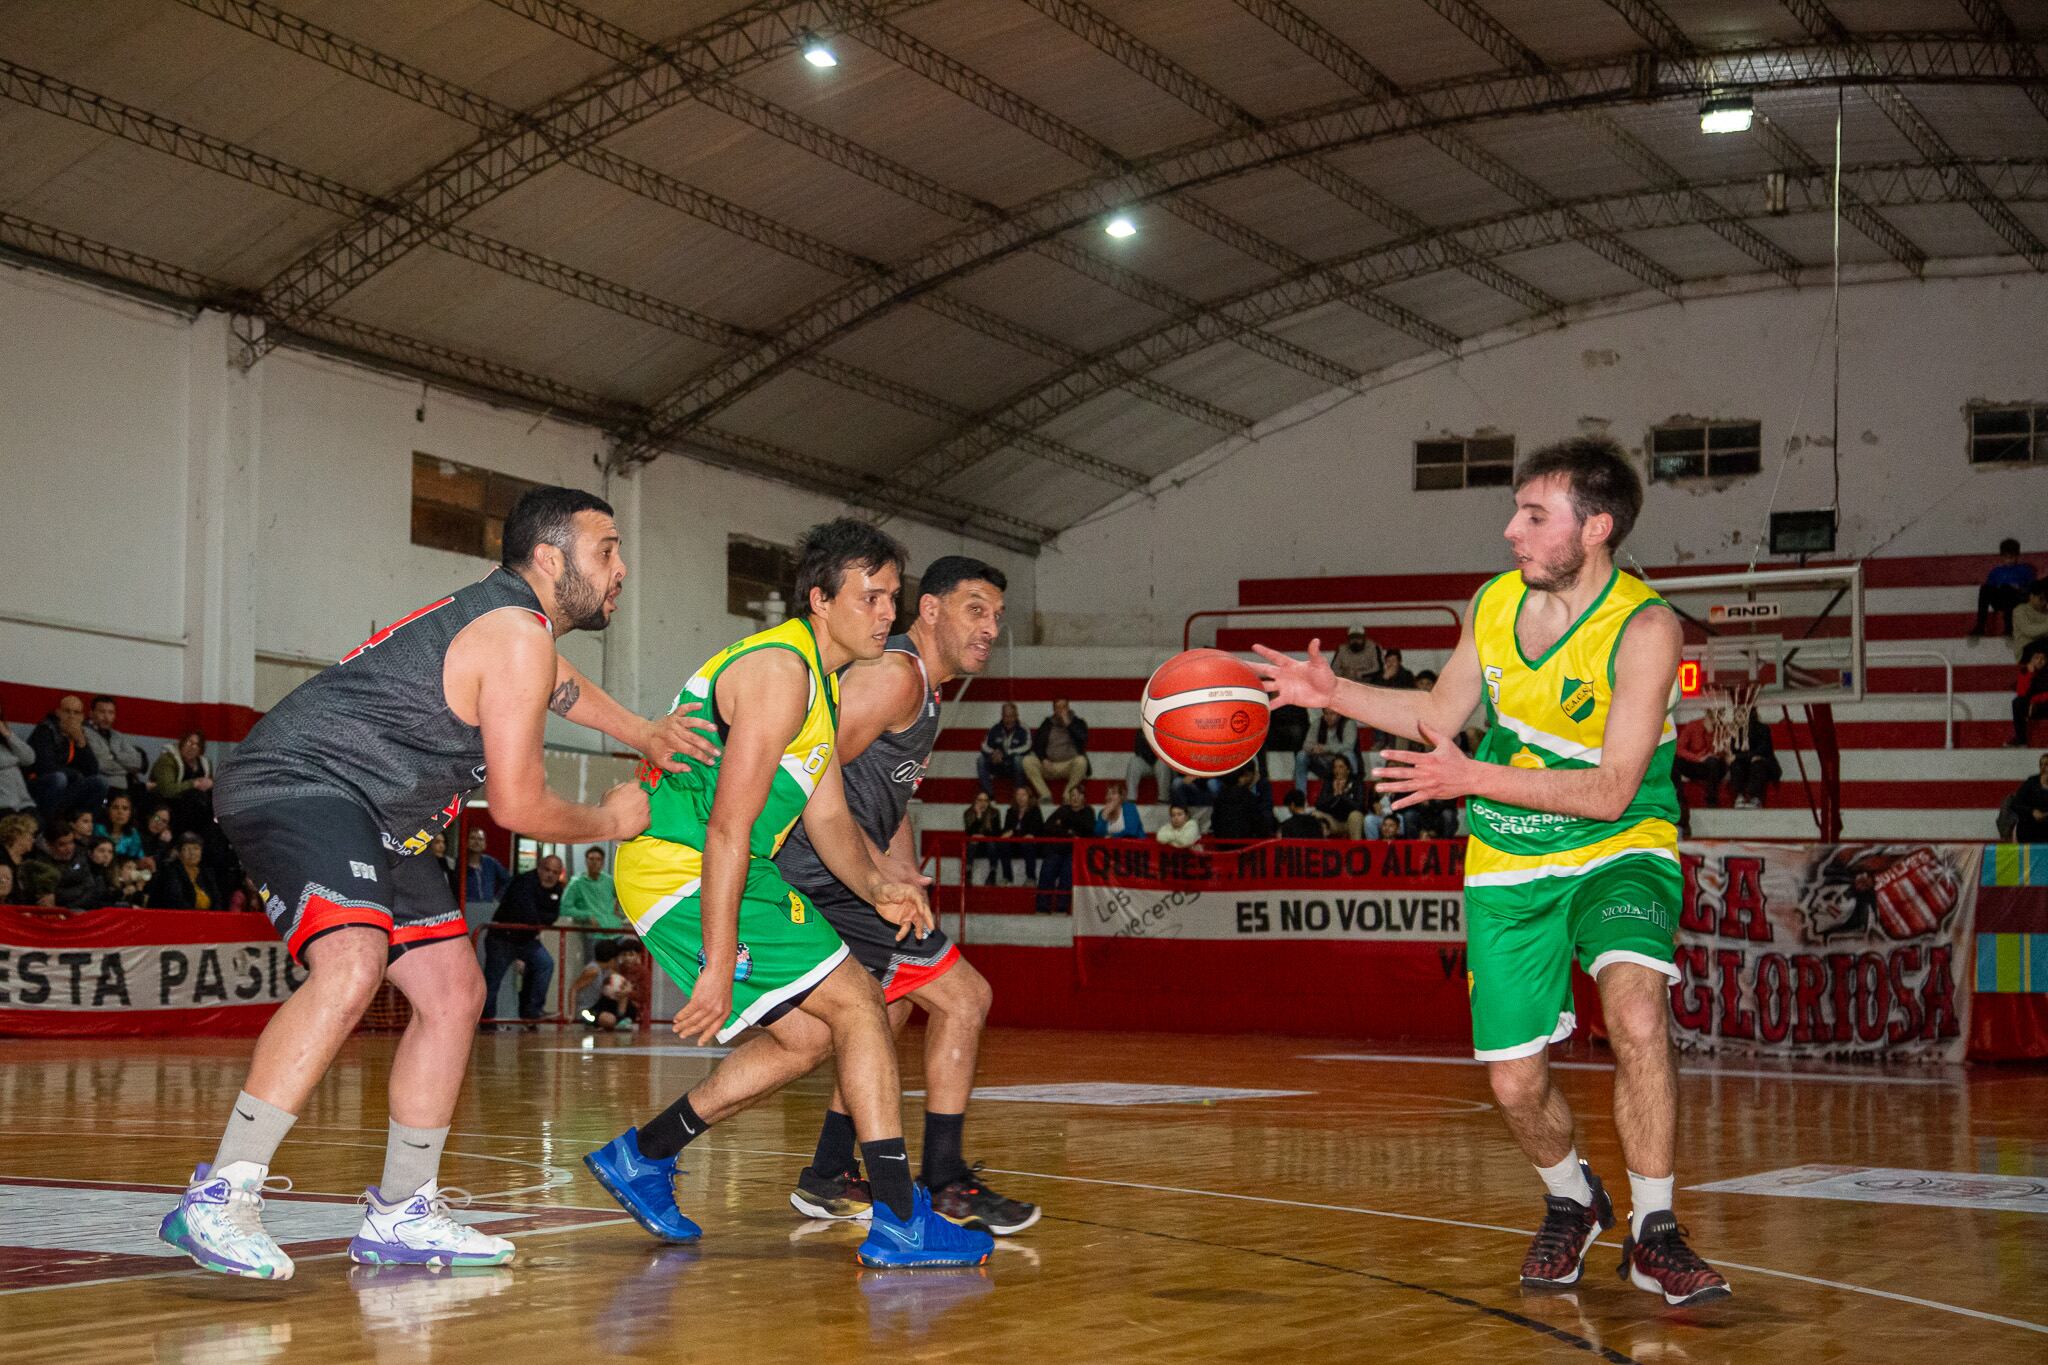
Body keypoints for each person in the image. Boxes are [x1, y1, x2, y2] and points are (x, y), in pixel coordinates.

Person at [158, 484, 716, 1281]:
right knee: (351, 961)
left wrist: (640, 729)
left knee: (455, 993)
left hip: (380, 810)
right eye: (607, 550)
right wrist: (613, 821)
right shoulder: (515, 632)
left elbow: (558, 681)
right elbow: (520, 804)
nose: (621, 568)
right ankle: (221, 1192)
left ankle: (402, 1209)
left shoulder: (513, 627)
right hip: (304, 777)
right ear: (550, 558)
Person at [1251, 434, 1730, 1306]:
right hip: (1510, 853)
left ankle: (1656, 1230)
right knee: (1514, 1077)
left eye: (1534, 515)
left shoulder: (1648, 626)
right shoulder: (1495, 602)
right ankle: (1573, 1200)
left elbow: (1614, 786)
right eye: (1515, 510)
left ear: (1597, 528)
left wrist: (1468, 774)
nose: (1510, 529)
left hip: (1620, 841)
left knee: (1635, 1009)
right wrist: (1336, 696)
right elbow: (1439, 709)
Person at [590, 519, 990, 1269]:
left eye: (892, 598)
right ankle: (902, 1217)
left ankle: (643, 1156)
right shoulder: (781, 673)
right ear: (819, 598)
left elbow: (829, 814)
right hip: (684, 865)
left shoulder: (824, 683)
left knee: (809, 1036)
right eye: (869, 597)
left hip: (731, 869)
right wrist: (715, 962)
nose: (885, 613)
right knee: (862, 1004)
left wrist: (882, 886)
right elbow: (728, 830)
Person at [773, 556, 1037, 1235]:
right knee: (964, 996)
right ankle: (945, 1182)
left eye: (997, 615)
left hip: (847, 873)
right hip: (825, 875)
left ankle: (829, 1173)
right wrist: (869, 875)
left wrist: (904, 871)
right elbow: (808, 762)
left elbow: (885, 799)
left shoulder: (923, 687)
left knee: (884, 1014)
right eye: (975, 609)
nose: (990, 627)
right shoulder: (895, 675)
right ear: (929, 610)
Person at [481, 854, 565, 1027]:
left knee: (545, 964)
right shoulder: (523, 882)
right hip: (503, 937)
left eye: (555, 872)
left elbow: (552, 916)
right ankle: (486, 1021)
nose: (550, 875)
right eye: (547, 870)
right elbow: (525, 913)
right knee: (492, 981)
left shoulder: (558, 889)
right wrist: (539, 919)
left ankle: (532, 1012)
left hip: (526, 939)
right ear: (539, 869)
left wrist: (537, 919)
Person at [27, 695, 108, 822]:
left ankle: (81, 827)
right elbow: (44, 766)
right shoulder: (45, 730)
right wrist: (75, 775)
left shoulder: (78, 735)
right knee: (59, 778)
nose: (71, 716)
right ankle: (46, 828)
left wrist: (81, 743)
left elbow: (92, 770)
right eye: (67, 711)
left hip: (67, 787)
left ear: (81, 717)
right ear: (58, 713)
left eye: (76, 713)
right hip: (40, 784)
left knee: (100, 782)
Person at [1037, 783, 1094, 914]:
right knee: (1047, 869)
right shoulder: (1063, 809)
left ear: (1084, 797)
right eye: (1072, 795)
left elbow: (1088, 830)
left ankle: (1061, 908)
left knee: (1068, 871)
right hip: (1057, 850)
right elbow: (1048, 827)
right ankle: (1042, 907)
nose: (1075, 798)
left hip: (1075, 852)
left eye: (1078, 795)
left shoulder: (1088, 811)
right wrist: (1069, 832)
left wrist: (1063, 825)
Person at [150, 730, 216, 836]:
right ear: (182, 743)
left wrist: (211, 783)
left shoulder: (205, 763)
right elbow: (167, 790)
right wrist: (193, 783)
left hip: (199, 807)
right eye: (189, 743)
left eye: (197, 745)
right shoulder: (167, 760)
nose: (192, 747)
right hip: (168, 805)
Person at [1021, 699, 1088, 802]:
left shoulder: (1078, 722)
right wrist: (1043, 759)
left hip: (1069, 765)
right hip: (1049, 765)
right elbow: (1036, 745)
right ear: (1054, 710)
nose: (1061, 710)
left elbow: (1083, 738)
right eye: (1058, 708)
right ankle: (1045, 795)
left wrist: (1068, 724)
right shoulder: (1047, 724)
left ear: (1068, 708)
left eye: (1064, 707)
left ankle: (1068, 795)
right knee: (1027, 761)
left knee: (1082, 761)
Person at [572, 939, 646, 1030]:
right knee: (609, 1020)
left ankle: (620, 1020)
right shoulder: (593, 971)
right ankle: (592, 1023)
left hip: (597, 1005)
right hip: (586, 1010)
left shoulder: (607, 970)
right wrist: (571, 1014)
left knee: (622, 991)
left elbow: (622, 983)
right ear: (612, 959)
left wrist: (627, 990)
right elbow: (574, 989)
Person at [1971, 538, 2036, 637]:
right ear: (2002, 557)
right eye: (2006, 557)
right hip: (2001, 600)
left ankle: (2009, 628)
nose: (2009, 560)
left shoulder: (2025, 570)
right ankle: (1980, 626)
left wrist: (2019, 589)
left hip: (2018, 599)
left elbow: (2034, 590)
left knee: (2007, 589)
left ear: (2017, 556)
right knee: (1985, 588)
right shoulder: (1996, 572)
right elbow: (1990, 589)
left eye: (2012, 557)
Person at [85, 696, 150, 794]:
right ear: (91, 713)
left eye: (111, 713)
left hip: (124, 789)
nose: (106, 717)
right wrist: (128, 769)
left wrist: (114, 756)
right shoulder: (85, 733)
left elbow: (138, 763)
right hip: (102, 788)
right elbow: (101, 765)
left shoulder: (118, 736)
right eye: (102, 712)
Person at [146, 832, 221, 909]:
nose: (192, 853)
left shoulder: (207, 873)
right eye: (187, 849)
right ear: (179, 853)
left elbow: (217, 900)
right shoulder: (170, 871)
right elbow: (175, 901)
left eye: (196, 848)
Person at [559, 845, 625, 930]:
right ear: (586, 861)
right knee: (606, 944)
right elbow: (565, 908)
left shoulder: (609, 881)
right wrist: (587, 915)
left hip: (615, 930)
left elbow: (623, 898)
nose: (595, 862)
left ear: (603, 863)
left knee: (632, 942)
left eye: (598, 859)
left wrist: (620, 912)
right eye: (591, 859)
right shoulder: (577, 883)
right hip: (594, 933)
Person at [1294, 708, 1357, 794]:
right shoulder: (1318, 723)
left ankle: (1354, 790)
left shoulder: (1348, 723)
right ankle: (1300, 797)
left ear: (1339, 714)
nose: (1329, 717)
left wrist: (1326, 748)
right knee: (1301, 755)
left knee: (1349, 754)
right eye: (1326, 714)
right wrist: (1314, 748)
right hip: (1321, 762)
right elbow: (1306, 745)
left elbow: (1349, 746)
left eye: (1332, 714)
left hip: (1339, 762)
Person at [1672, 715, 1726, 811]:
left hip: (1713, 765)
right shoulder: (1693, 726)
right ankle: (1679, 799)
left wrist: (1711, 734)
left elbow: (1722, 752)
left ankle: (1711, 801)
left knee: (1713, 763)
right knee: (1674, 762)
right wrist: (1698, 758)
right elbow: (1679, 749)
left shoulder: (1721, 729)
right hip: (1695, 763)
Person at [1727, 712, 1780, 809]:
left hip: (1764, 763)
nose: (1737, 718)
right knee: (1735, 764)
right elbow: (1733, 751)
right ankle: (1740, 796)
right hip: (1745, 763)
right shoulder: (1735, 731)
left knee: (1758, 763)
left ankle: (1755, 798)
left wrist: (1742, 756)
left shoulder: (1762, 728)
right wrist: (1742, 757)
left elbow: (1764, 750)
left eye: (1739, 715)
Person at [1209, 764, 1275, 842]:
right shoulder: (1249, 797)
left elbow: (1214, 822)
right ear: (1240, 778)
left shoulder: (1219, 797)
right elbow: (1258, 823)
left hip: (1222, 842)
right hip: (1246, 844)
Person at [977, 701, 1030, 796]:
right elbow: (984, 746)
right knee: (981, 760)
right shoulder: (995, 728)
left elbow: (1027, 747)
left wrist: (1005, 754)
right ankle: (989, 796)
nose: (1009, 719)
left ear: (1017, 715)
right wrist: (993, 753)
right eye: (1006, 716)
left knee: (1019, 760)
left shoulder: (1023, 729)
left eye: (1012, 716)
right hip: (997, 763)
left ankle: (1018, 795)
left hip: (1012, 764)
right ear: (1002, 715)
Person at [1313, 754, 1369, 840]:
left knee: (1355, 815)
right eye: (1335, 767)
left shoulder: (1357, 783)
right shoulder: (1329, 783)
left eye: (1341, 767)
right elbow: (1319, 805)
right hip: (1334, 822)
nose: (1337, 770)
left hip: (1351, 822)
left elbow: (1359, 807)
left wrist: (1342, 795)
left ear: (1348, 770)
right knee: (1315, 814)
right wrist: (1335, 794)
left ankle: (1356, 849)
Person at [998, 785, 1043, 884]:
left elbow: (1034, 830)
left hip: (1030, 844)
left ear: (1029, 797)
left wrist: (1013, 832)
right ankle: (1007, 877)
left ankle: (1031, 878)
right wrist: (1008, 833)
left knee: (1027, 843)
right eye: (1018, 794)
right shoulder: (1011, 811)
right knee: (1003, 844)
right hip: (1015, 843)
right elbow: (1006, 829)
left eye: (1023, 794)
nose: (1020, 797)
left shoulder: (1035, 811)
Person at [0, 703, 38, 813]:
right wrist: (15, 759)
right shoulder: (11, 758)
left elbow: (29, 758)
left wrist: (8, 735)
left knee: (39, 822)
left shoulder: (6, 737)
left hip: (23, 802)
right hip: (4, 805)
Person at [98, 791, 149, 865]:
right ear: (108, 810)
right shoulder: (98, 829)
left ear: (130, 813)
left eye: (125, 808)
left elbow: (138, 859)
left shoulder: (133, 835)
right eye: (115, 807)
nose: (120, 812)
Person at [963, 791, 1003, 884]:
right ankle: (968, 871)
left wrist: (983, 836)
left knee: (991, 844)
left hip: (988, 844)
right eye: (980, 800)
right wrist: (978, 816)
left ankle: (993, 872)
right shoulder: (968, 813)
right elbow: (969, 833)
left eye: (985, 800)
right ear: (975, 801)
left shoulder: (994, 813)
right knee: (972, 843)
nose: (983, 803)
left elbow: (996, 832)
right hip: (975, 845)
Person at [463, 826, 511, 904]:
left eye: (480, 839)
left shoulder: (491, 862)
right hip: (467, 907)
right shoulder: (460, 864)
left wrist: (497, 899)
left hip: (487, 908)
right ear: (466, 842)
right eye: (472, 838)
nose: (476, 842)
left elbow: (508, 880)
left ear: (485, 844)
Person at [2010, 754, 2048, 844]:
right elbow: (2015, 804)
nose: (2043, 767)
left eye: (2047, 764)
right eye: (2041, 764)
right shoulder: (2031, 783)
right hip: (2030, 827)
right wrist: (2032, 811)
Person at [1127, 729, 1171, 805]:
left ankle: (1163, 799)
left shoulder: (1165, 730)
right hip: (1147, 762)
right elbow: (1138, 751)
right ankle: (1131, 798)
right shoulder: (1141, 732)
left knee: (1163, 762)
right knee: (1134, 761)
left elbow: (1167, 752)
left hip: (1161, 765)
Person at [2014, 652, 2048, 749]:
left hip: (2043, 705)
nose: (2039, 661)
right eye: (2036, 658)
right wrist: (2030, 674)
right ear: (2031, 660)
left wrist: (2034, 700)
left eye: (2043, 658)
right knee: (2017, 702)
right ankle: (2021, 739)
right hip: (2032, 708)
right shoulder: (2025, 672)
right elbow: (2021, 693)